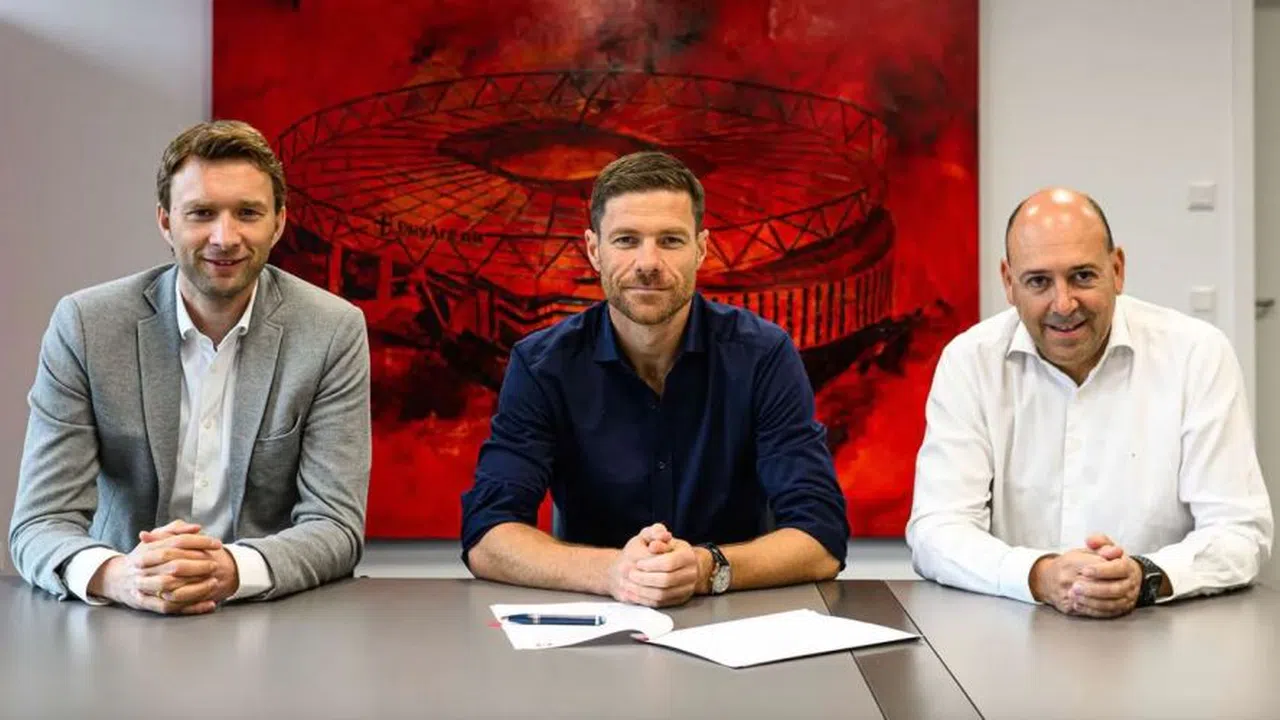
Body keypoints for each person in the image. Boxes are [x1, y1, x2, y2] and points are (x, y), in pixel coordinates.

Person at [9, 120, 372, 614]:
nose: (225, 237)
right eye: (201, 213)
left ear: (279, 223)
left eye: (248, 213)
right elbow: (39, 522)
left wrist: (231, 569)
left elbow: (336, 525)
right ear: (166, 221)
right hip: (119, 615)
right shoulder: (87, 326)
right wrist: (120, 577)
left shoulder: (332, 330)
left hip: (271, 616)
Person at [460, 151, 849, 607]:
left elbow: (821, 537)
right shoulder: (542, 365)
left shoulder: (764, 355)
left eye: (670, 240)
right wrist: (614, 573)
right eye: (626, 240)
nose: (649, 262)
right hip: (595, 619)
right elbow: (487, 534)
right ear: (594, 250)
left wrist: (704, 568)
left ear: (701, 249)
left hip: (737, 618)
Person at [907, 187, 1273, 617]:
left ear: (1117, 270)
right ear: (1009, 282)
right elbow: (936, 530)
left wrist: (1143, 576)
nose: (1063, 304)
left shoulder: (1197, 354)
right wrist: (1040, 575)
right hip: (1012, 629)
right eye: (1039, 282)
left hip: (1163, 627)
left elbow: (1239, 532)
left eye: (1082, 276)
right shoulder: (970, 362)